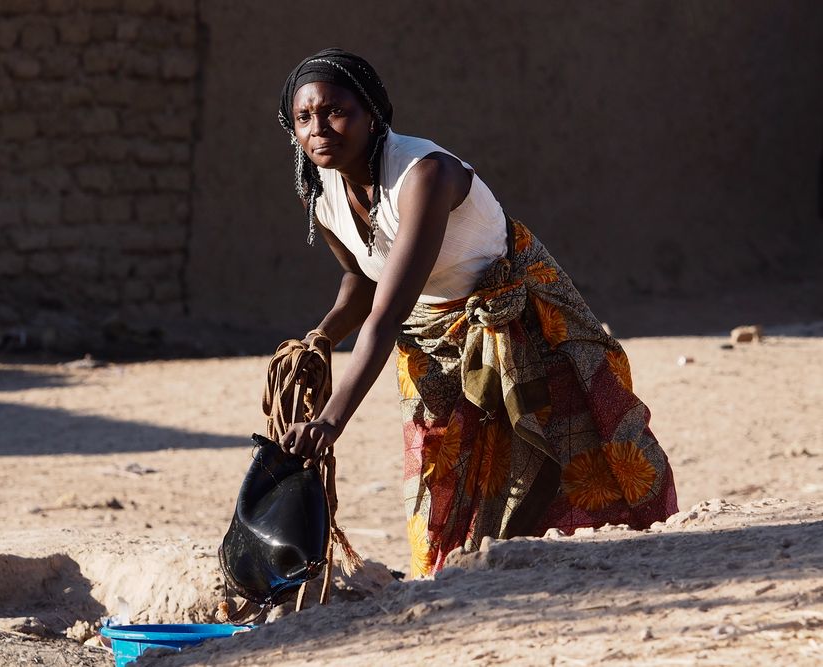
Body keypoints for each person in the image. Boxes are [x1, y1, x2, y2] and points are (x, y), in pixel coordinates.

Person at [276, 48, 678, 578]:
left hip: (517, 312)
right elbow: (361, 278)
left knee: (568, 440)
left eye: (335, 111)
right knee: (443, 467)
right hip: (431, 334)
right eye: (304, 117)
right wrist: (320, 338)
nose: (319, 128)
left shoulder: (425, 174)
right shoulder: (322, 189)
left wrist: (330, 421)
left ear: (371, 113)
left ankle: (611, 570)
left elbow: (386, 312)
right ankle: (459, 581)